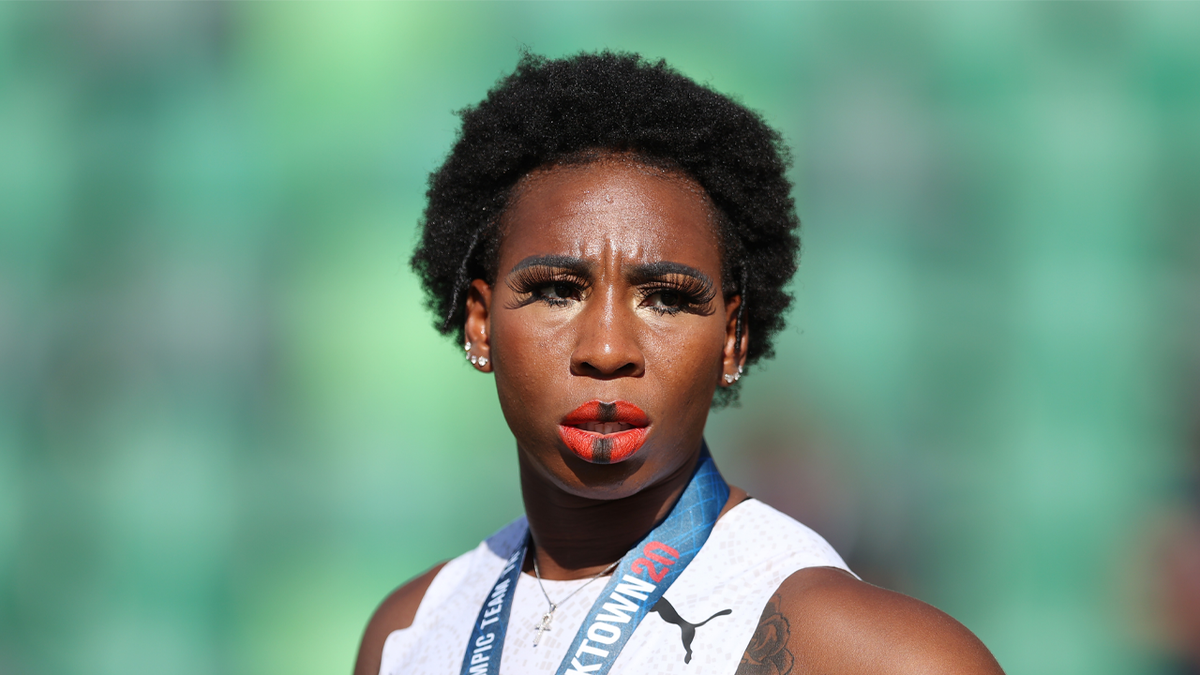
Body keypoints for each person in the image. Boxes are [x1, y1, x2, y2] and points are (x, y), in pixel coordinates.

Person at [354, 51, 1004, 675]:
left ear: (733, 340)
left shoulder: (886, 659)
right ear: (479, 323)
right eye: (557, 290)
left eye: (666, 298)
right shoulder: (409, 633)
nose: (607, 350)